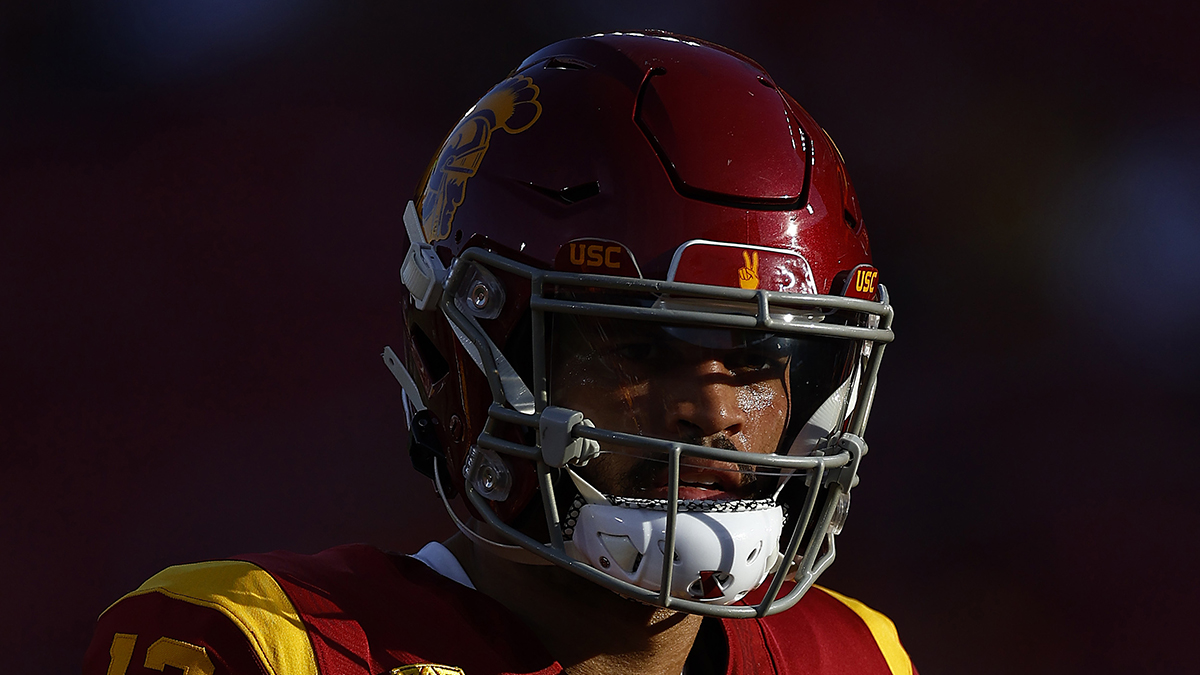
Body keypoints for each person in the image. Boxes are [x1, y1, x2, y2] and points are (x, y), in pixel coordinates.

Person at [83, 31, 913, 675]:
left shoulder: (856, 656)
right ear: (458, 360)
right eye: (638, 346)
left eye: (759, 355)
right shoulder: (257, 645)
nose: (715, 409)